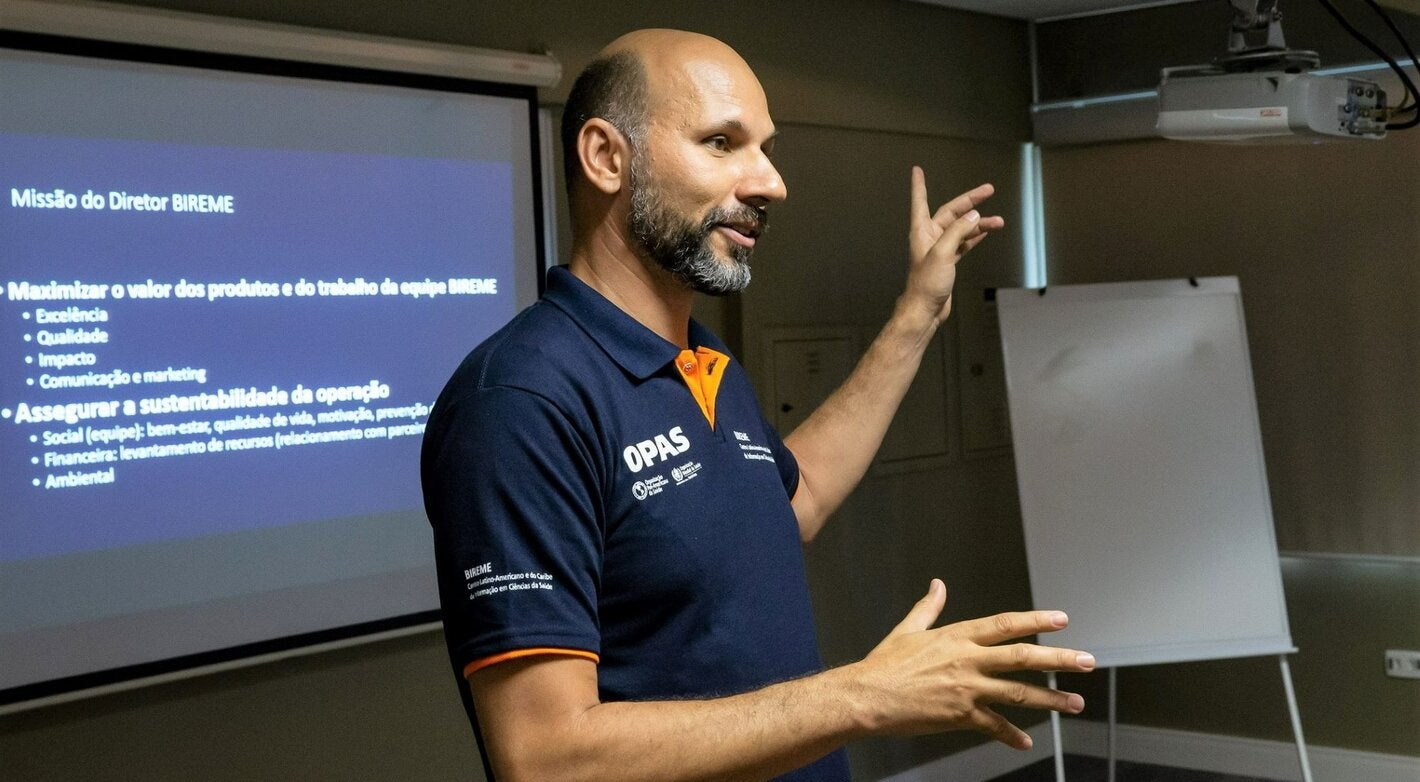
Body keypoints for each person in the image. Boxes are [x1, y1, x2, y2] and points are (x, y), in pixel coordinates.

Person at [421, 28, 1094, 782]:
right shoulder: (521, 403)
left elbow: (791, 502)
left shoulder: (705, 363)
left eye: (766, 149)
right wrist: (865, 694)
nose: (769, 182)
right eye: (722, 142)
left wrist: (915, 318)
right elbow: (545, 758)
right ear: (607, 158)